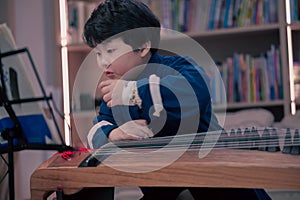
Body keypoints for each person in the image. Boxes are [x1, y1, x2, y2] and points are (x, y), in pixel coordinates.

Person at [83, 0, 271, 199]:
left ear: (143, 47)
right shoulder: (114, 90)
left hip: (218, 183)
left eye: (110, 51)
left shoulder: (179, 67)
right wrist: (113, 134)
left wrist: (132, 92)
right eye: (98, 53)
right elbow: (97, 128)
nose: (103, 62)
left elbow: (191, 92)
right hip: (163, 187)